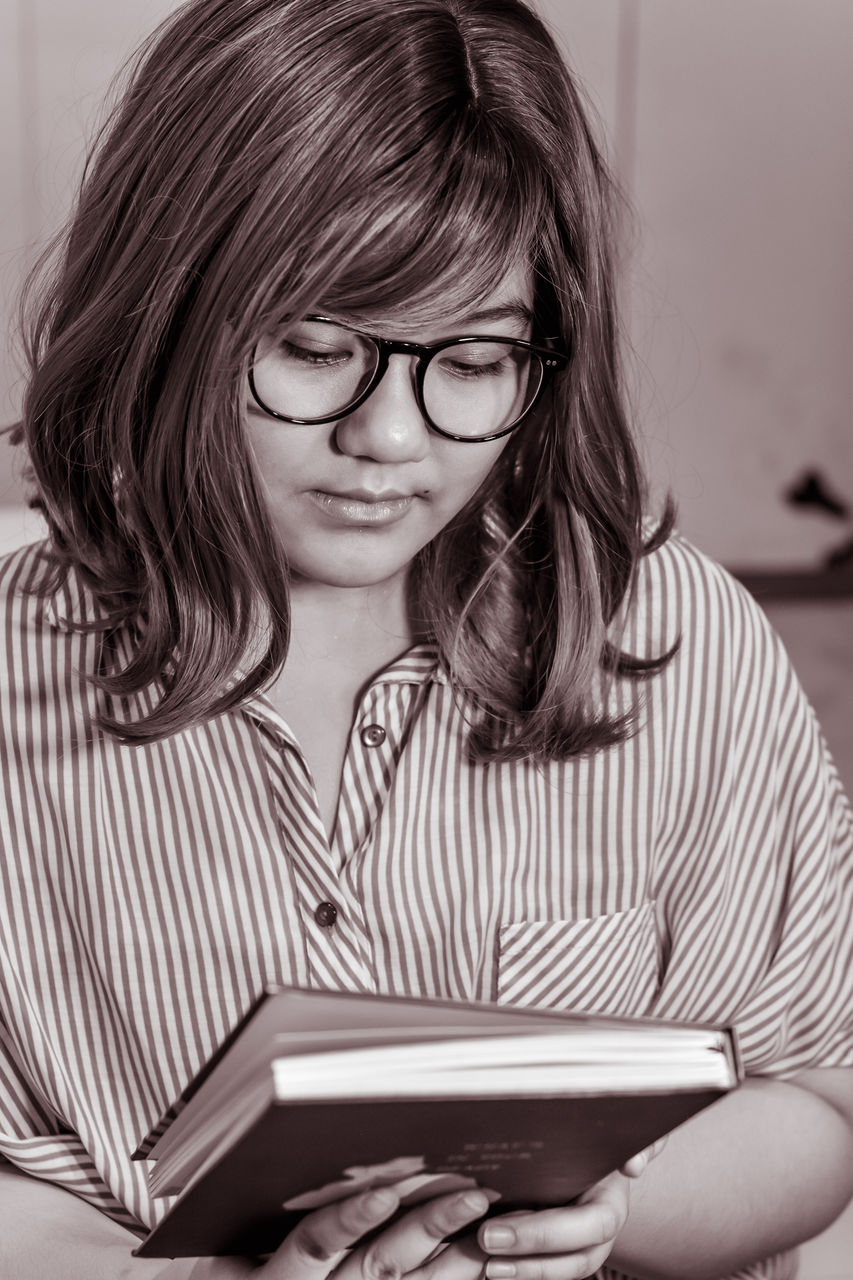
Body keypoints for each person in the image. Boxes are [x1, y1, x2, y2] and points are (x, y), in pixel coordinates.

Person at [1, 0, 851, 1277]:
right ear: (162, 310)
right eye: (313, 347)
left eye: (471, 362)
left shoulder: (680, 643)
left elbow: (818, 1102)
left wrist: (606, 1214)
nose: (390, 441)